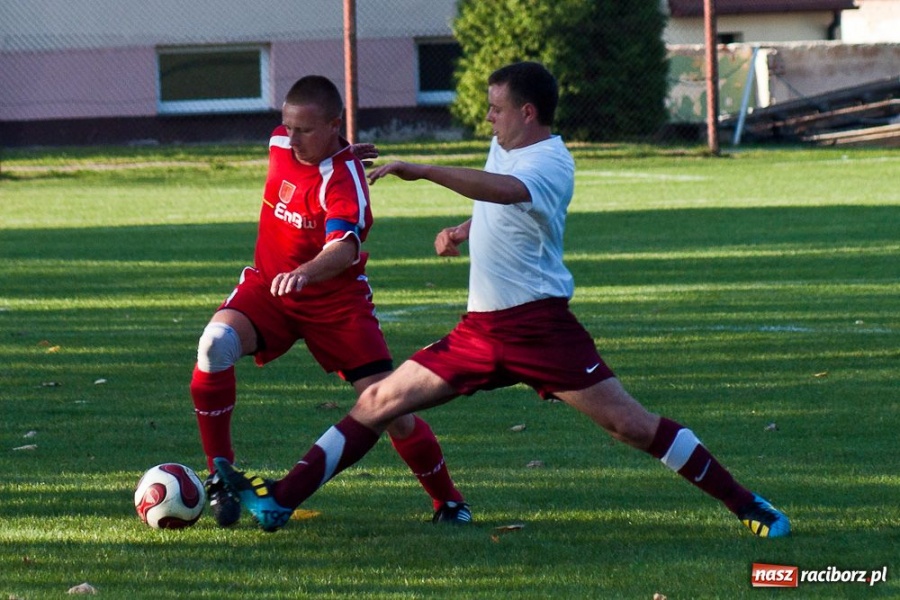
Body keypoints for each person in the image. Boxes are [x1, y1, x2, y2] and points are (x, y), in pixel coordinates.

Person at [215, 61, 790, 538]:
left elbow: (513, 192)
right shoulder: (504, 145)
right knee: (381, 401)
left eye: (495, 108)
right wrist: (466, 230)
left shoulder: (549, 161)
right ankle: (279, 501)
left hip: (540, 330)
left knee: (631, 426)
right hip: (480, 332)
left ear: (527, 113)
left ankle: (749, 506)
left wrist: (425, 169)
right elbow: (500, 202)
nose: (488, 117)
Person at [190, 74, 470, 528]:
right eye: (288, 126)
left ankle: (449, 501)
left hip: (336, 307)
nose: (292, 137)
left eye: (305, 129)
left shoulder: (343, 182)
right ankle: (220, 474)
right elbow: (300, 140)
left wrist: (304, 273)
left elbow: (345, 249)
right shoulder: (282, 142)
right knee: (214, 344)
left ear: (333, 124)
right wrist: (334, 145)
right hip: (269, 288)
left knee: (391, 408)